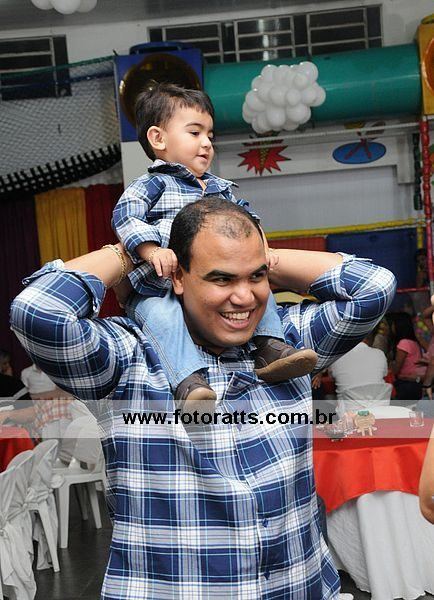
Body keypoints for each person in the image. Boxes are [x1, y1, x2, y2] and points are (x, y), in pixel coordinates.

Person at [11, 198, 396, 599]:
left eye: (256, 277)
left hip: (299, 587)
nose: (244, 298)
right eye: (222, 279)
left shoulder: (286, 346)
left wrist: (262, 255)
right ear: (178, 276)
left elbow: (373, 287)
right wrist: (133, 252)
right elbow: (40, 311)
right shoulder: (129, 359)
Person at [112, 82, 317, 406]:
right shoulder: (152, 185)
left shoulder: (220, 189)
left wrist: (262, 250)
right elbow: (126, 218)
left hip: (213, 284)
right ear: (158, 138)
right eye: (195, 133)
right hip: (157, 286)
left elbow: (248, 220)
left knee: (257, 292)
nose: (207, 143)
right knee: (163, 319)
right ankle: (189, 383)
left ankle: (270, 348)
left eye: (209, 135)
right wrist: (152, 251)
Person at [328, 329, 388, 400]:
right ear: (370, 339)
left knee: (328, 396)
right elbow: (384, 375)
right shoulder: (379, 354)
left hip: (348, 406)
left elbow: (331, 377)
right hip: (377, 405)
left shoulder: (336, 357)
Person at [389, 311, 426, 401]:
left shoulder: (404, 343)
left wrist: (390, 367)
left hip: (407, 384)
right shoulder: (413, 342)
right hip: (415, 384)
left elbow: (396, 369)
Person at [0, 348, 33, 416]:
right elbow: (29, 414)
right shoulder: (15, 384)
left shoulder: (14, 384)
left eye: (8, 363)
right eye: (4, 363)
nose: (7, 366)